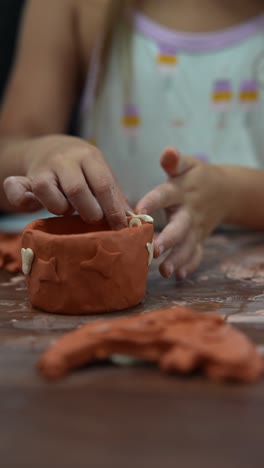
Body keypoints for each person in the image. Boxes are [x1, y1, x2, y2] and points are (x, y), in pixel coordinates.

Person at [0, 0, 264, 280]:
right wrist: (39, 153)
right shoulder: (76, 7)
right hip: (97, 275)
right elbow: (8, 152)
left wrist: (231, 194)